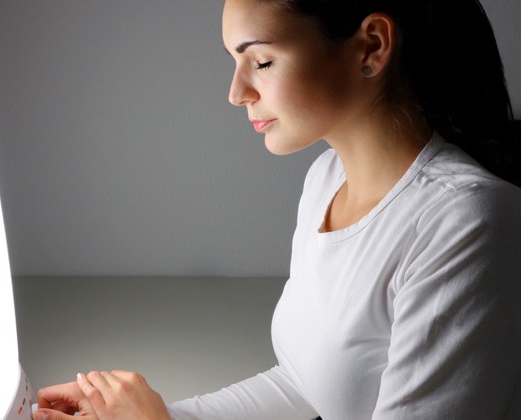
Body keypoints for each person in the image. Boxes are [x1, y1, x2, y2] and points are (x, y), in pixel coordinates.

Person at [33, 0, 521, 418]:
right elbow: (301, 384)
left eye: (261, 61)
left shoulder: (465, 221)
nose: (236, 92)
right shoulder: (325, 180)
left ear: (371, 46)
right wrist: (159, 413)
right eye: (235, 62)